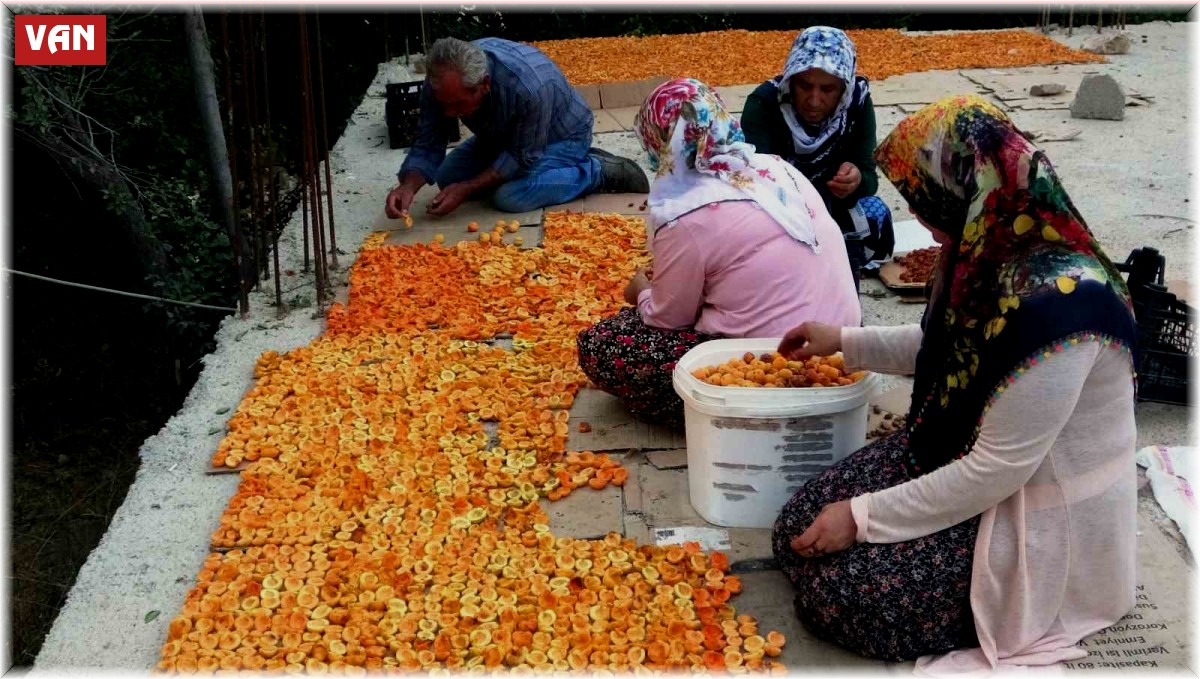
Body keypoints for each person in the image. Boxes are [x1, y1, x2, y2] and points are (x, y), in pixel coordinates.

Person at [770, 95, 1139, 673]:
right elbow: (949, 352)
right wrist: (843, 339)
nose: (918, 217)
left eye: (922, 198)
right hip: (960, 452)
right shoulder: (985, 252)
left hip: (1028, 506)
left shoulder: (1063, 305)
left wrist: (863, 518)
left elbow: (996, 470)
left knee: (840, 596)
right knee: (793, 527)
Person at [576, 78, 861, 429]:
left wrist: (641, 292)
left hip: (773, 371)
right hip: (842, 350)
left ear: (658, 143)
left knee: (604, 344)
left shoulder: (685, 214)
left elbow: (668, 318)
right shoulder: (775, 168)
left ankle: (729, 423)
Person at [384, 37, 648, 219]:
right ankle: (557, 170)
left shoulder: (528, 88)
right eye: (445, 105)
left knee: (510, 197)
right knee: (446, 176)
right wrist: (407, 187)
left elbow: (520, 156)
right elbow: (429, 141)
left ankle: (598, 171)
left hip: (561, 135)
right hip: (502, 135)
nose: (449, 114)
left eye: (458, 105)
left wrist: (468, 188)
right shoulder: (440, 84)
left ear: (484, 85)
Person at [741, 27, 894, 288]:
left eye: (827, 89)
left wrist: (855, 181)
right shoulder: (764, 104)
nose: (814, 100)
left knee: (875, 215)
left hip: (833, 206)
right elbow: (752, 181)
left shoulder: (857, 105)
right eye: (804, 85)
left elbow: (870, 177)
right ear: (791, 80)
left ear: (843, 89)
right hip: (780, 210)